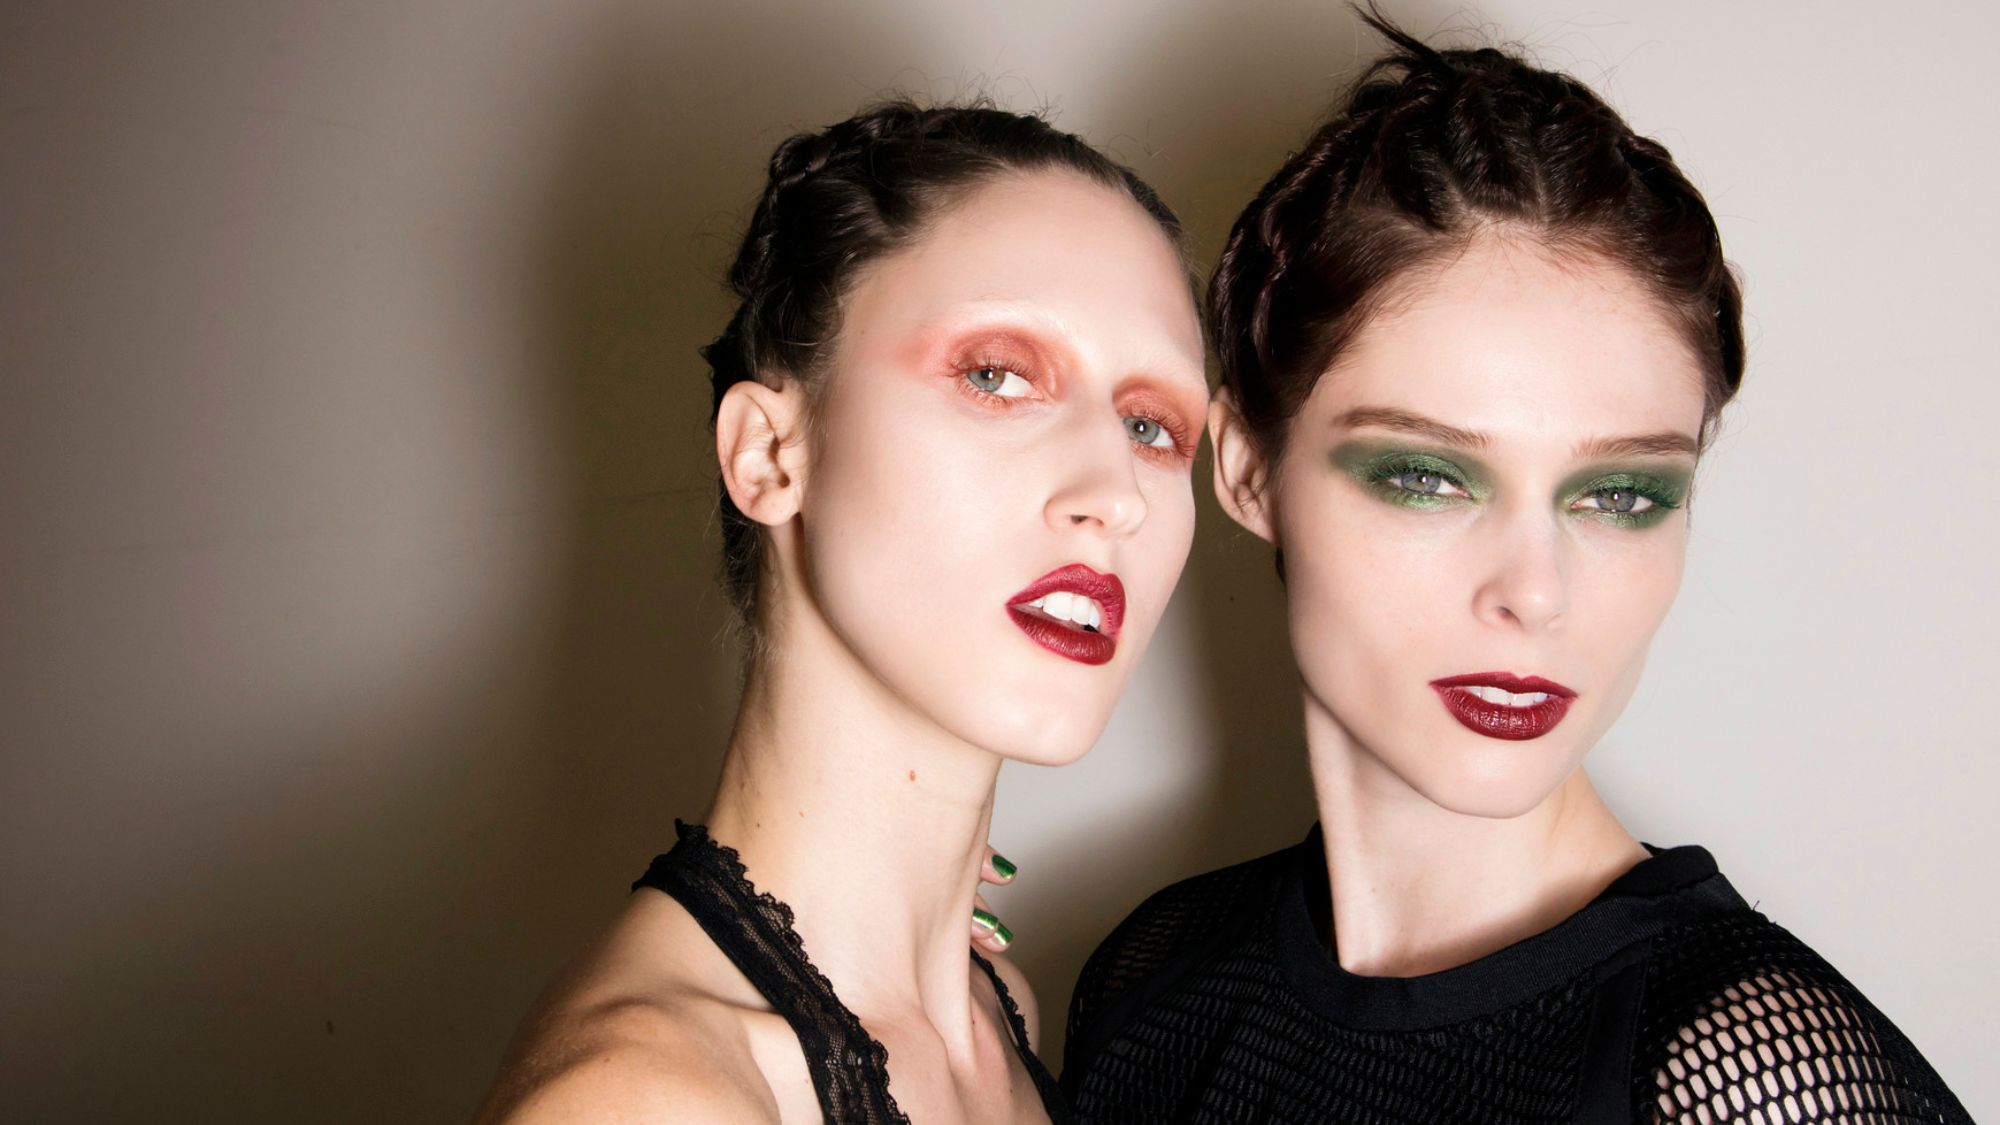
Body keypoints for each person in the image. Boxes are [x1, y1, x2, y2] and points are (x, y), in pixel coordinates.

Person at [1060, 15, 1970, 1125]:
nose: (1535, 592)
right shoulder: (1152, 978)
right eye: (1427, 477)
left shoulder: (1751, 1081)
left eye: (1620, 496)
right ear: (1248, 471)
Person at [472, 102, 1208, 1124]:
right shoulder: (647, 1098)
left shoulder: (997, 1015)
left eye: (1151, 426)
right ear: (770, 454)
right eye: (996, 376)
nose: (1116, 492)